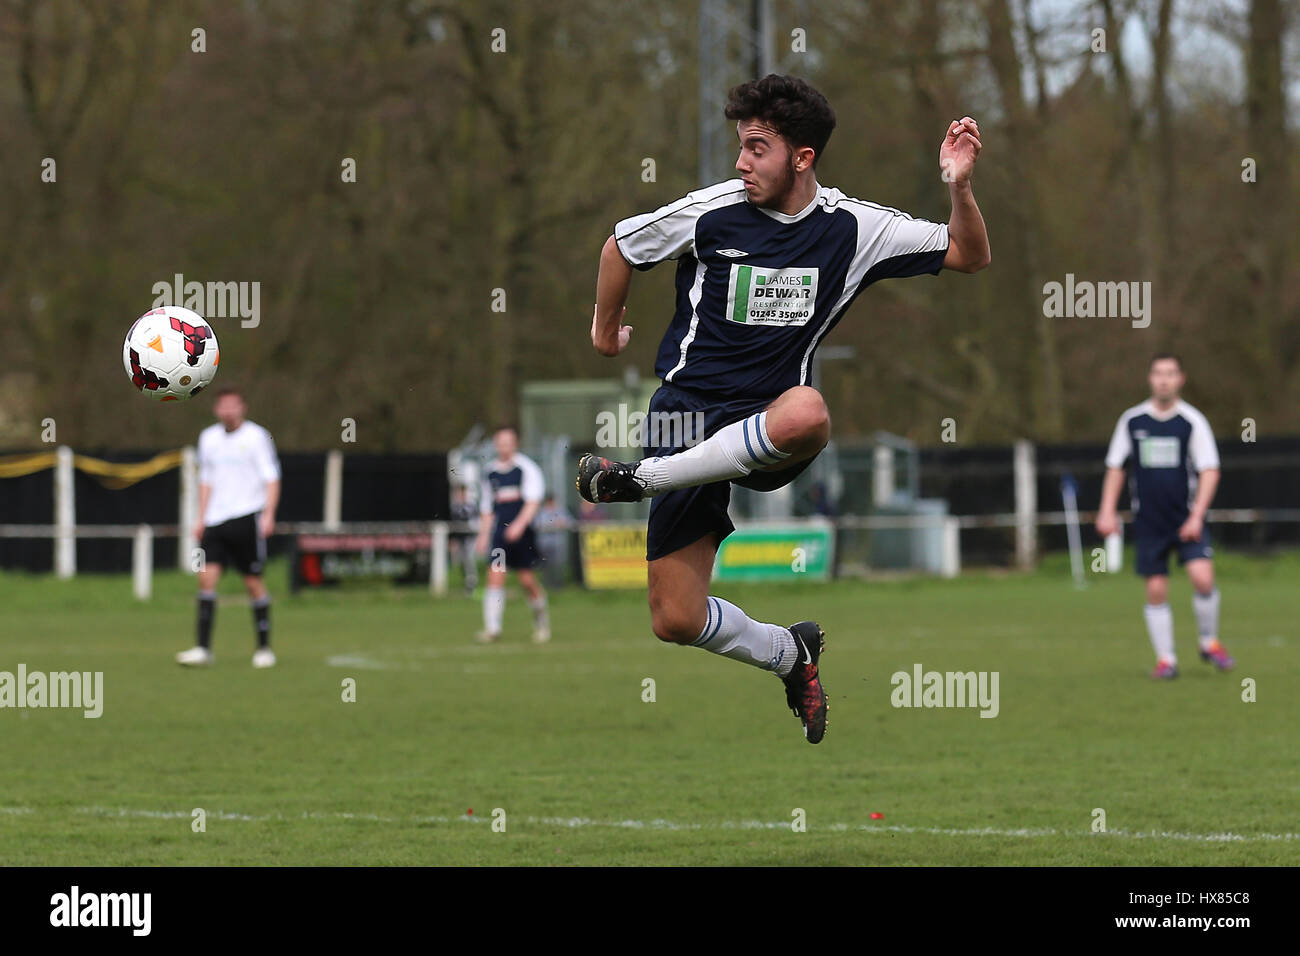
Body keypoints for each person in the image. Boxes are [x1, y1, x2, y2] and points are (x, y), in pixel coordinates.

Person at [577, 74, 989, 743]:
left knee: (809, 412)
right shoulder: (713, 211)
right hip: (684, 413)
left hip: (769, 419)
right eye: (740, 146)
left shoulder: (855, 228)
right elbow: (621, 246)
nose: (741, 162)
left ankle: (640, 479)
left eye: (757, 148)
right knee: (674, 619)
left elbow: (970, 253)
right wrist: (604, 329)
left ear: (803, 158)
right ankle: (789, 655)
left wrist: (959, 187)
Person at [1096, 354, 1234, 679]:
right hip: (1149, 522)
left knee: (1203, 578)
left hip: (1186, 518)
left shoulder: (1192, 421)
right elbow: (1116, 467)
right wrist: (1106, 509)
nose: (1164, 380)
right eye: (1158, 373)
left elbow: (1209, 471)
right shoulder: (1132, 420)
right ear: (1149, 378)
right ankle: (1166, 660)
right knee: (1156, 589)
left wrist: (1197, 516)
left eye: (1170, 374)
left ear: (1181, 379)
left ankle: (1208, 641)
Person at [177, 387, 281, 668]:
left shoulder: (257, 437)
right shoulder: (208, 438)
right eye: (223, 406)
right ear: (216, 409)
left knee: (252, 583)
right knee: (206, 579)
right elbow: (206, 480)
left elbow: (271, 477)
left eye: (233, 406)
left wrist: (268, 514)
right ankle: (203, 648)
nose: (228, 411)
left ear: (242, 408)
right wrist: (200, 517)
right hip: (214, 521)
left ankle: (263, 648)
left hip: (246, 517)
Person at [475, 426, 550, 643]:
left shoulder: (526, 468)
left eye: (508, 443)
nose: (504, 447)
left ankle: (541, 623)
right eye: (500, 443)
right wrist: (483, 535)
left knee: (527, 580)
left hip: (523, 534)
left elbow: (533, 502)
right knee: (495, 577)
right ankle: (492, 629)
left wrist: (518, 526)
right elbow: (488, 508)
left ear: (515, 444)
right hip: (500, 535)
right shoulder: (490, 472)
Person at [448, 484, 480, 596]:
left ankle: (472, 584)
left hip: (470, 537)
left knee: (469, 560)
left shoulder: (471, 506)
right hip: (460, 538)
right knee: (462, 562)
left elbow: (475, 522)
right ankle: (467, 583)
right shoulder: (454, 507)